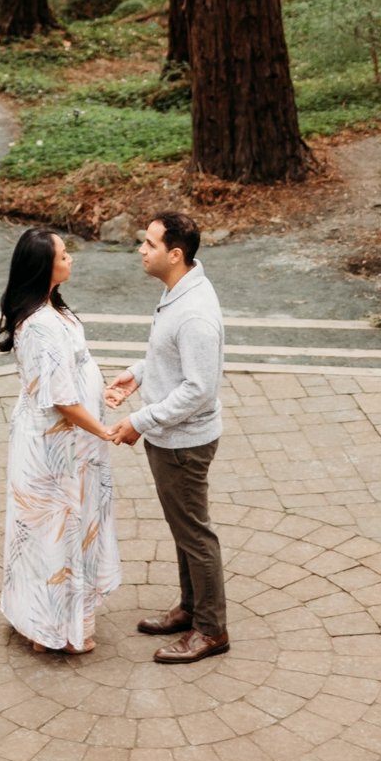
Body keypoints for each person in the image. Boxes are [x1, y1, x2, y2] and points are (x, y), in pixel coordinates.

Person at [104, 211, 229, 663]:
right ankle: (192, 608)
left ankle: (211, 630)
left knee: (195, 534)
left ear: (175, 255)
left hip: (184, 444)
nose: (141, 249)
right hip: (171, 437)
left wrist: (140, 421)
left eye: (150, 244)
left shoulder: (194, 313)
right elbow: (171, 361)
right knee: (183, 528)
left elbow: (199, 389)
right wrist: (137, 374)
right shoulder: (180, 290)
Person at [0, 226, 122, 654]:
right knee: (55, 531)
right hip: (58, 448)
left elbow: (72, 375)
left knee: (59, 529)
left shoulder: (53, 308)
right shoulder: (42, 325)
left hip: (72, 442)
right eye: (64, 254)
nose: (71, 259)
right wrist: (103, 428)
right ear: (42, 266)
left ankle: (44, 621)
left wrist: (102, 392)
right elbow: (61, 400)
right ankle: (53, 630)